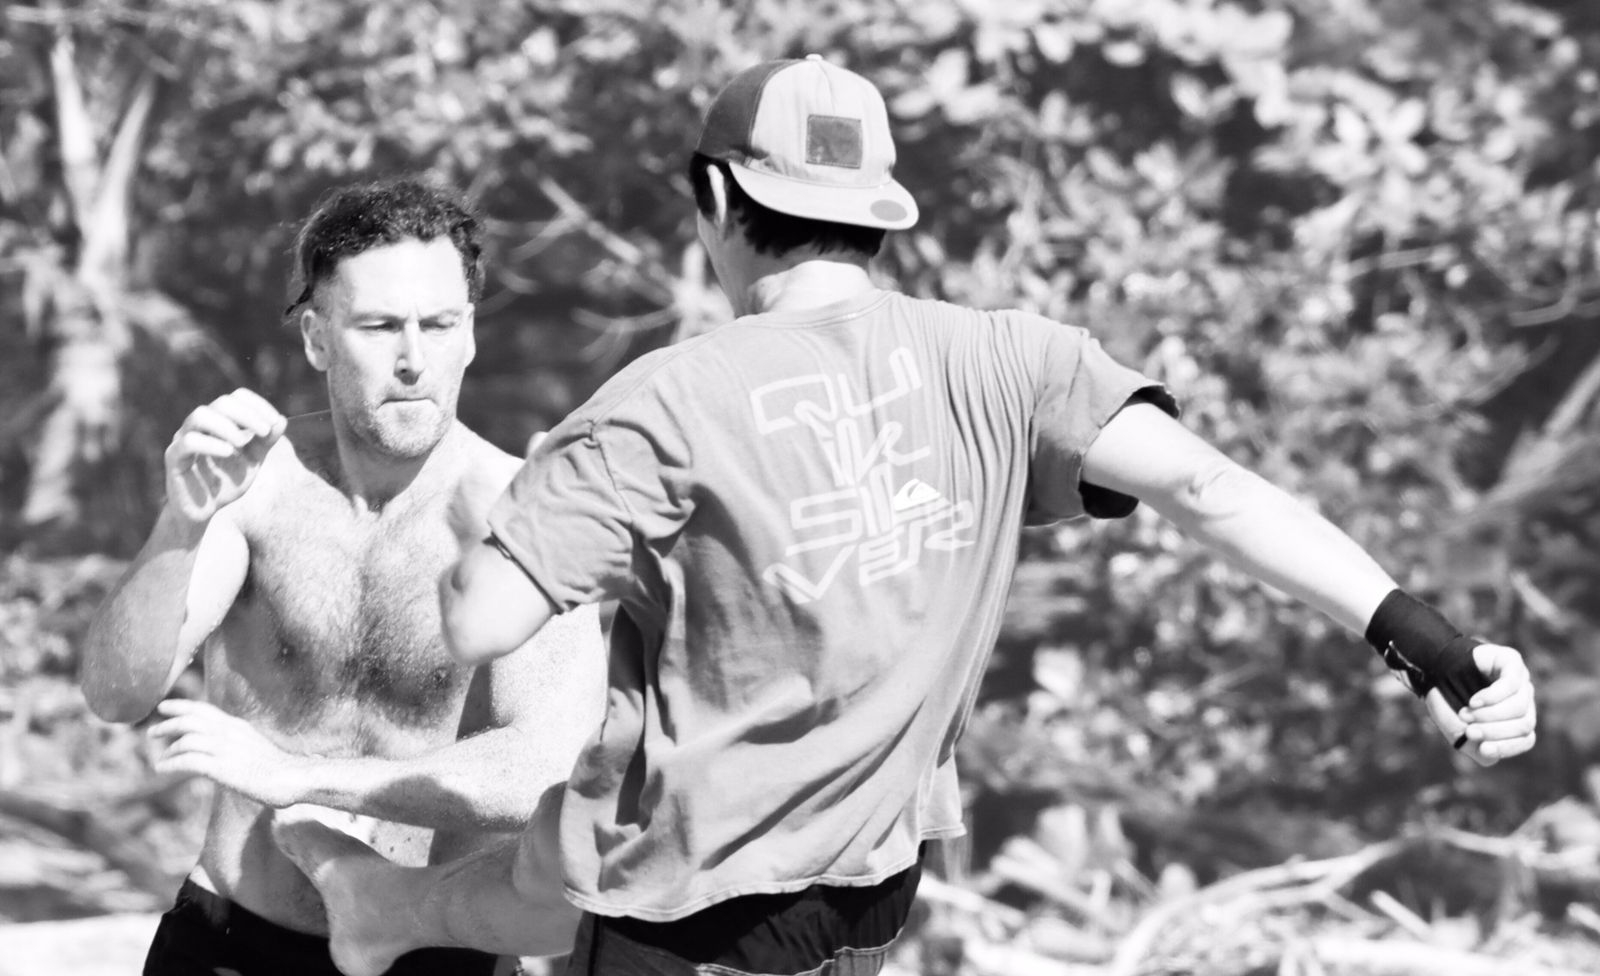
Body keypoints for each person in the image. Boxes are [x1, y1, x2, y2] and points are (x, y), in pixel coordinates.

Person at [270, 57, 1539, 976]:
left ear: (715, 199)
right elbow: (1211, 489)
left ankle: (381, 906)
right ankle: (385, 908)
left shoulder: (659, 403)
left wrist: (515, 499)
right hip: (873, 886)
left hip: (694, 911)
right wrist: (1426, 642)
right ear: (877, 202)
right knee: (561, 852)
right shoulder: (1007, 358)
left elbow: (482, 620)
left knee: (583, 858)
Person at [79, 179, 606, 976]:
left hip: (436, 953)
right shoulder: (254, 484)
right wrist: (179, 525)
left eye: (440, 324)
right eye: (379, 326)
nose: (413, 360)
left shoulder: (521, 513)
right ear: (318, 338)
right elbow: (115, 693)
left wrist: (297, 779)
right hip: (230, 937)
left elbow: (545, 767)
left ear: (470, 334)